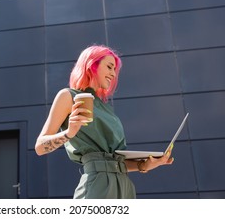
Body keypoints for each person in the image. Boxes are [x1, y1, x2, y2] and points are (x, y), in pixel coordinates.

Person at [35, 45, 174, 199]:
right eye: (109, 67)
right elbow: (40, 147)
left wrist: (144, 165)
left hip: (124, 187)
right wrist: (69, 133)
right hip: (97, 186)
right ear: (91, 65)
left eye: (115, 69)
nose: (113, 74)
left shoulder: (106, 108)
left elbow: (114, 161)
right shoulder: (68, 96)